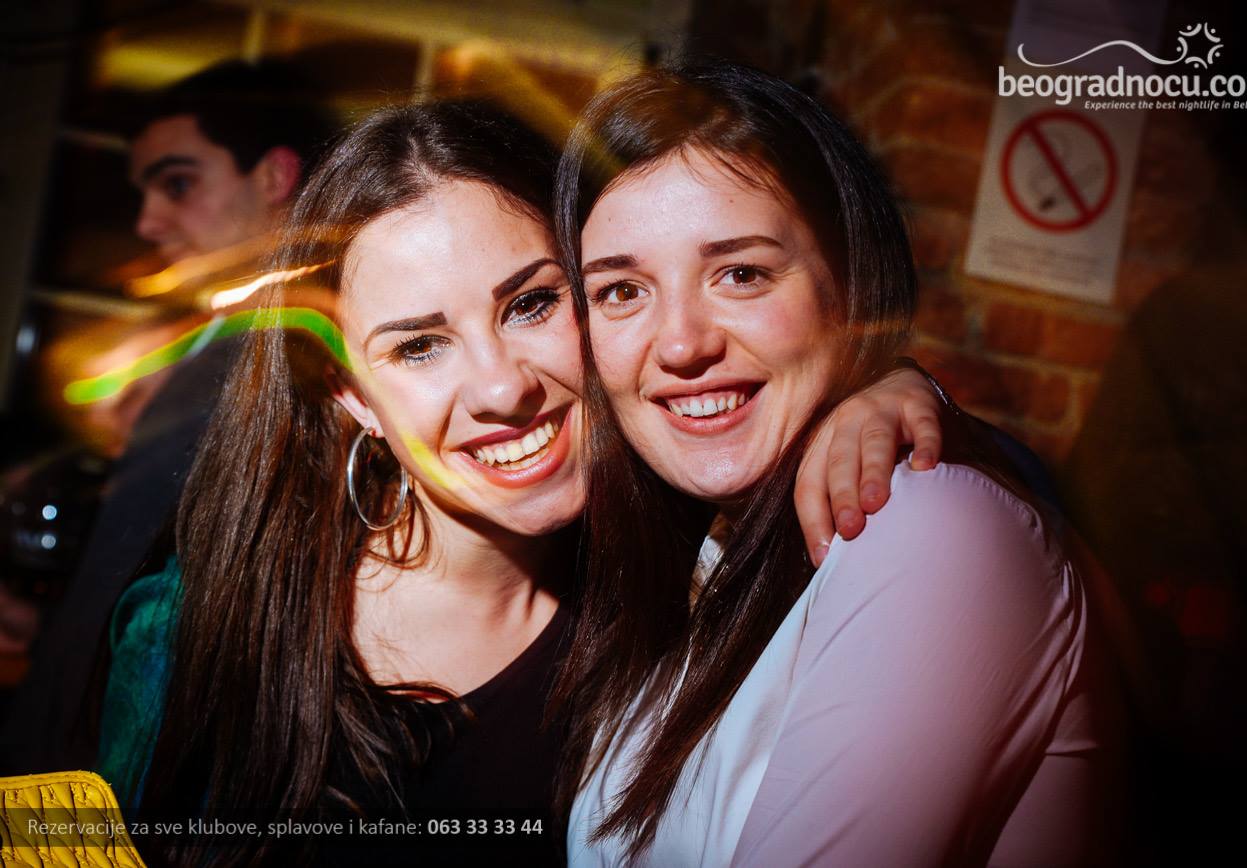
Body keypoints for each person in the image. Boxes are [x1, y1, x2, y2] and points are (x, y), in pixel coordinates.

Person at [97, 100, 946, 866]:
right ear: (352, 394)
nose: (503, 389)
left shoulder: (677, 581)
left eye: (531, 305)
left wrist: (890, 389)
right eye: (419, 347)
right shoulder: (203, 617)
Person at [557, 62, 1124, 866]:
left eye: (742, 274)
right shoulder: (693, 562)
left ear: (850, 292)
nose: (681, 344)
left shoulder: (925, 532)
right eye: (621, 291)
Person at [0, 59, 333, 774]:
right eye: (145, 192)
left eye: (178, 183)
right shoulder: (209, 343)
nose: (147, 222)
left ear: (274, 176)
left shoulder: (293, 358)